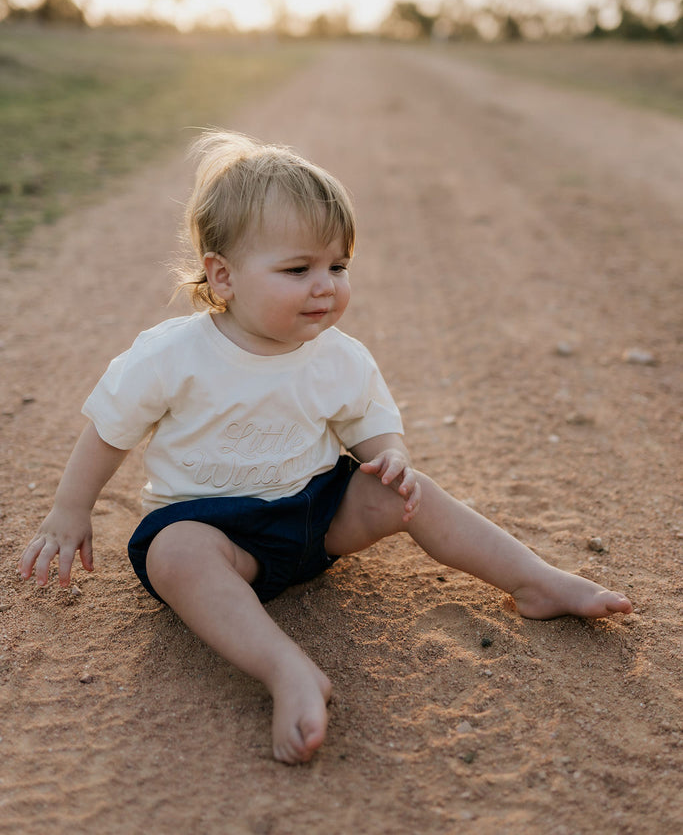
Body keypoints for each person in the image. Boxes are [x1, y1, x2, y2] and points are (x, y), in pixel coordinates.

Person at [19, 131, 633, 765]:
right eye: (297, 270)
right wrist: (70, 510)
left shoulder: (338, 356)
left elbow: (371, 423)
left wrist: (390, 454)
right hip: (217, 532)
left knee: (410, 492)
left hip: (316, 516)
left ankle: (535, 581)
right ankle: (287, 669)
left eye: (338, 266)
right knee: (174, 554)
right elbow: (108, 430)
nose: (325, 286)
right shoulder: (172, 355)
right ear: (222, 276)